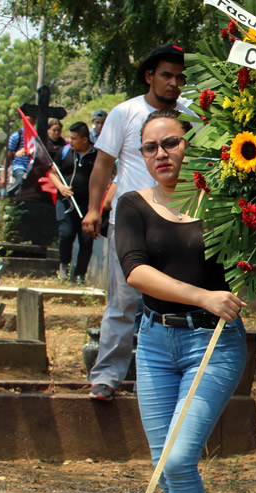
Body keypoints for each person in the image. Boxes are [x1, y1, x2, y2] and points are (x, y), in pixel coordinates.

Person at [117, 108, 247, 493]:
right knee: (166, 468)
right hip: (153, 343)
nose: (161, 154)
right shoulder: (132, 204)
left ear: (190, 143)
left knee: (176, 461)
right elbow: (135, 271)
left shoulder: (224, 202)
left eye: (170, 143)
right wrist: (203, 295)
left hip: (212, 345)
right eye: (150, 148)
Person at [83, 43, 191, 401]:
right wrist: (95, 209)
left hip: (176, 224)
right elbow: (102, 165)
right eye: (166, 75)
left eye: (180, 77)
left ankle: (156, 380)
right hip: (131, 225)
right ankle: (107, 377)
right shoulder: (125, 113)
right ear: (149, 76)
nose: (174, 83)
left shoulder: (190, 117)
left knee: (168, 305)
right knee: (124, 302)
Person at [47, 122, 97, 284]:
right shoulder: (65, 151)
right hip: (66, 201)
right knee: (66, 233)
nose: (70, 141)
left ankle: (80, 274)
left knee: (86, 239)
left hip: (88, 204)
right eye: (69, 137)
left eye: (74, 138)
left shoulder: (97, 154)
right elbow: (52, 173)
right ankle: (64, 266)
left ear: (84, 140)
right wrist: (61, 187)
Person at [5, 128, 30, 197]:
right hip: (20, 166)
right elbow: (9, 155)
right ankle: (10, 194)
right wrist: (4, 173)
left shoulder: (37, 135)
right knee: (22, 178)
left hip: (32, 166)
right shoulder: (16, 136)